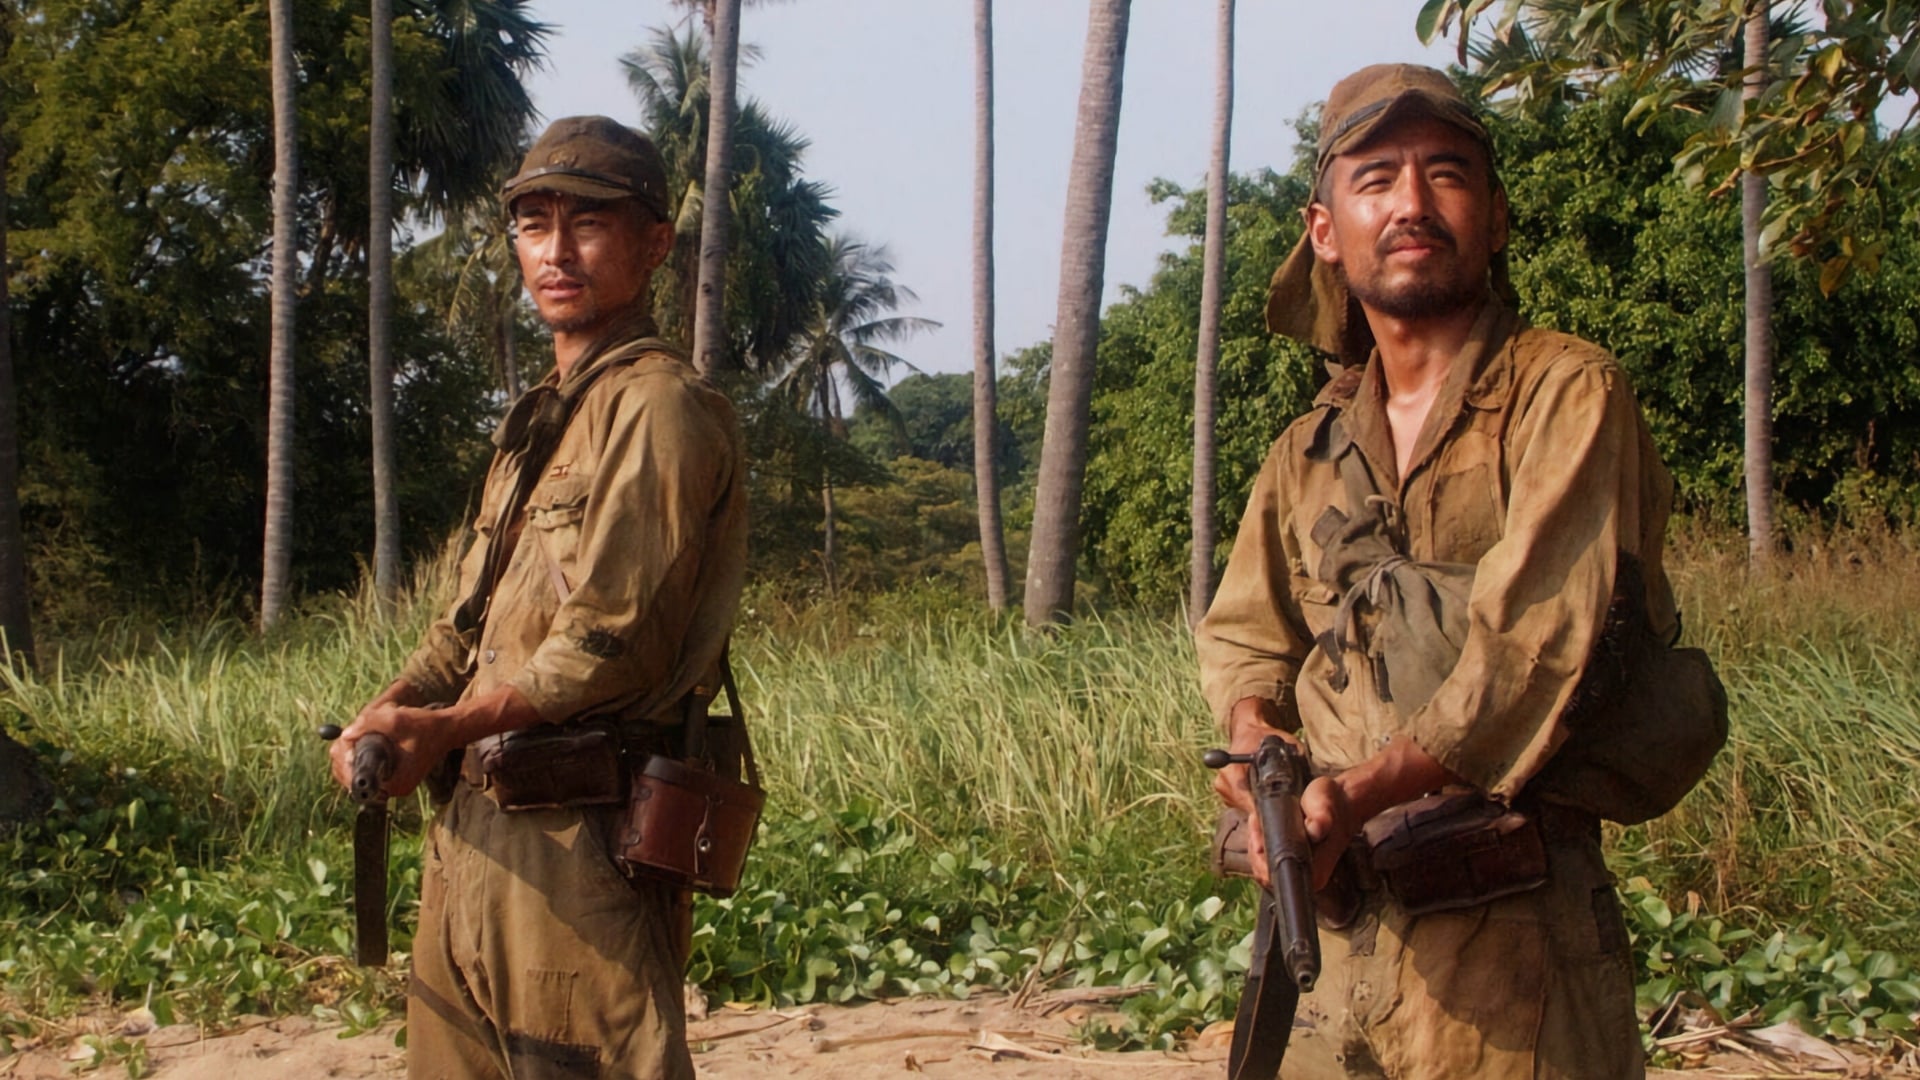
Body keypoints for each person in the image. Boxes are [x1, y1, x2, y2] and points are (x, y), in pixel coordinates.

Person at [1197, 65, 1687, 1079]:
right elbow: (1247, 635)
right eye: (1376, 180)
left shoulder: (1565, 391)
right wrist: (1258, 755)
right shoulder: (1306, 451)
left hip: (1515, 956)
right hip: (1333, 943)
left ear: (1496, 216)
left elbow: (1536, 652)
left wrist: (1360, 792)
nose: (1412, 205)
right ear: (1327, 230)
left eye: (1446, 175)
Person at [329, 116, 747, 1080]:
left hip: (583, 845)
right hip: (473, 833)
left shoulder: (659, 407)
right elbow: (461, 634)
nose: (556, 251)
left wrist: (447, 726)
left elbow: (611, 644)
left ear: (653, 244)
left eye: (589, 223)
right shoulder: (537, 425)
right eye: (533, 222)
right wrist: (386, 717)